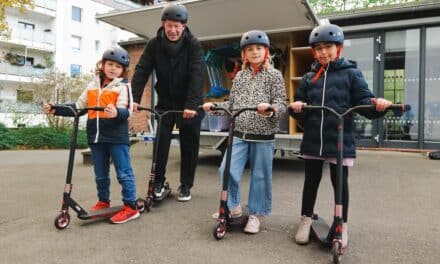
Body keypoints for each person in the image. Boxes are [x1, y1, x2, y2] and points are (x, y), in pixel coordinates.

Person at [289, 24, 392, 247]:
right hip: (314, 140)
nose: (323, 52)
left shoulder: (351, 74)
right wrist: (297, 109)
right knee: (310, 182)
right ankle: (305, 219)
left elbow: (365, 103)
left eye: (328, 47)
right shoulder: (309, 78)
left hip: (340, 140)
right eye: (318, 48)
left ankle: (341, 224)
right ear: (313, 52)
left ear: (339, 48)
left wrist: (378, 105)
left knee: (340, 184)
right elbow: (301, 111)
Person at [203, 30, 287, 234]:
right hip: (239, 133)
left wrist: (271, 108)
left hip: (263, 136)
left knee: (260, 176)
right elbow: (233, 103)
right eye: (250, 49)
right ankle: (233, 207)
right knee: (226, 170)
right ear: (244, 54)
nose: (254, 52)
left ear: (266, 51)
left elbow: (282, 104)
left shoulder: (274, 75)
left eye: (258, 48)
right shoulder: (240, 76)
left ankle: (256, 215)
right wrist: (215, 107)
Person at [44, 47, 140, 224]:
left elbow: (126, 109)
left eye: (118, 67)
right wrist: (56, 109)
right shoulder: (92, 86)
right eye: (110, 64)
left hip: (116, 138)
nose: (113, 68)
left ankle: (131, 207)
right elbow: (78, 107)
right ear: (102, 65)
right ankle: (103, 201)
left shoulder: (123, 86)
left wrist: (116, 112)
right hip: (96, 137)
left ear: (123, 70)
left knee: (124, 173)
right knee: (100, 174)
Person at [131, 3, 204, 202]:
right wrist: (134, 99)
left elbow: (197, 75)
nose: (173, 30)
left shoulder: (194, 45)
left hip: (189, 103)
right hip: (165, 102)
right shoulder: (154, 44)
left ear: (184, 26)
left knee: (189, 144)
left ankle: (186, 185)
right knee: (160, 143)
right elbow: (141, 71)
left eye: (177, 26)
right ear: (163, 24)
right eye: (169, 25)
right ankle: (158, 182)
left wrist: (191, 104)